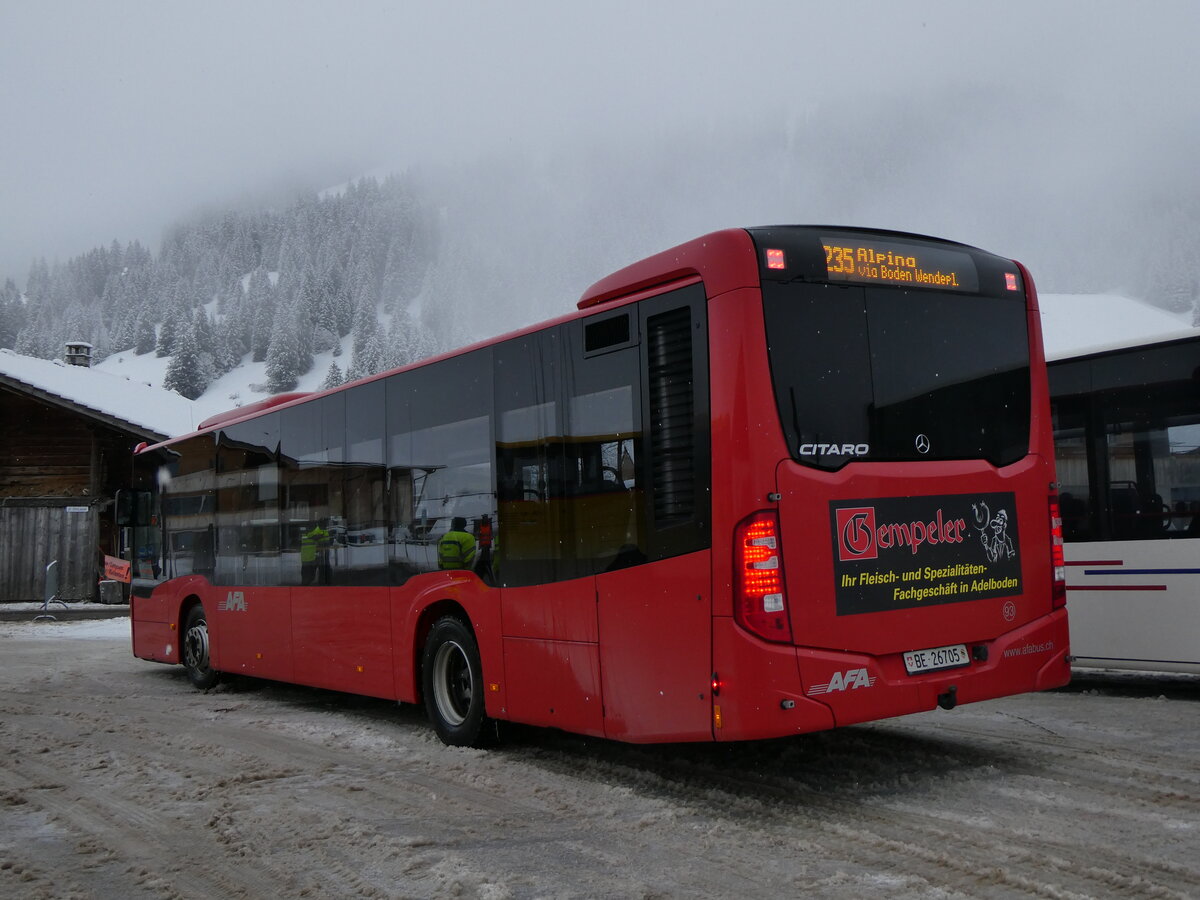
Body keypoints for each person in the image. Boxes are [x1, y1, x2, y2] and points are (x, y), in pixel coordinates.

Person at [301, 520, 332, 585]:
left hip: (310, 556)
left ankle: (321, 582)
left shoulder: (313, 532)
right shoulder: (317, 533)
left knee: (310, 573)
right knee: (312, 572)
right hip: (311, 556)